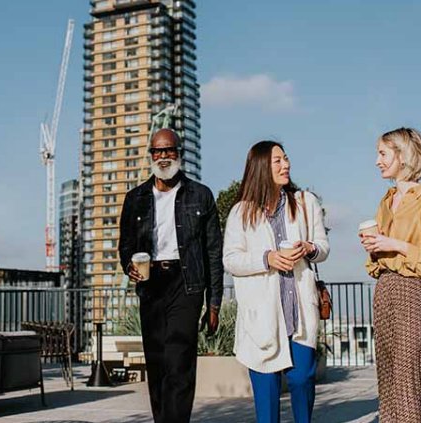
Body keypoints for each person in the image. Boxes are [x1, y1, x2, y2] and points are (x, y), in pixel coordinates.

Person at [118, 128, 224, 423]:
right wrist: (129, 265)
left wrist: (214, 304)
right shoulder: (135, 198)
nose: (163, 156)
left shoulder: (200, 195)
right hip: (151, 285)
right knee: (157, 363)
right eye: (157, 151)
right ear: (150, 155)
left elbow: (213, 252)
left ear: (180, 153)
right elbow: (125, 245)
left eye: (169, 150)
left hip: (186, 283)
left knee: (179, 362)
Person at [223, 140, 329, 423]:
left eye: (286, 159)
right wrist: (267, 258)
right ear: (260, 168)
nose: (286, 165)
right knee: (267, 395)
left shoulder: (305, 203)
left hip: (299, 313)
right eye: (278, 161)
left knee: (302, 380)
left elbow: (323, 247)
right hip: (263, 318)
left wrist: (309, 248)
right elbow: (231, 260)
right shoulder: (240, 213)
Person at [360, 127, 421, 423]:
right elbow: (380, 258)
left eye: (382, 153)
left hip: (414, 291)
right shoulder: (386, 202)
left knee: (410, 371)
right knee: (390, 373)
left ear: (402, 157)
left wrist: (397, 245)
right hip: (386, 289)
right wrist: (375, 248)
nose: (377, 161)